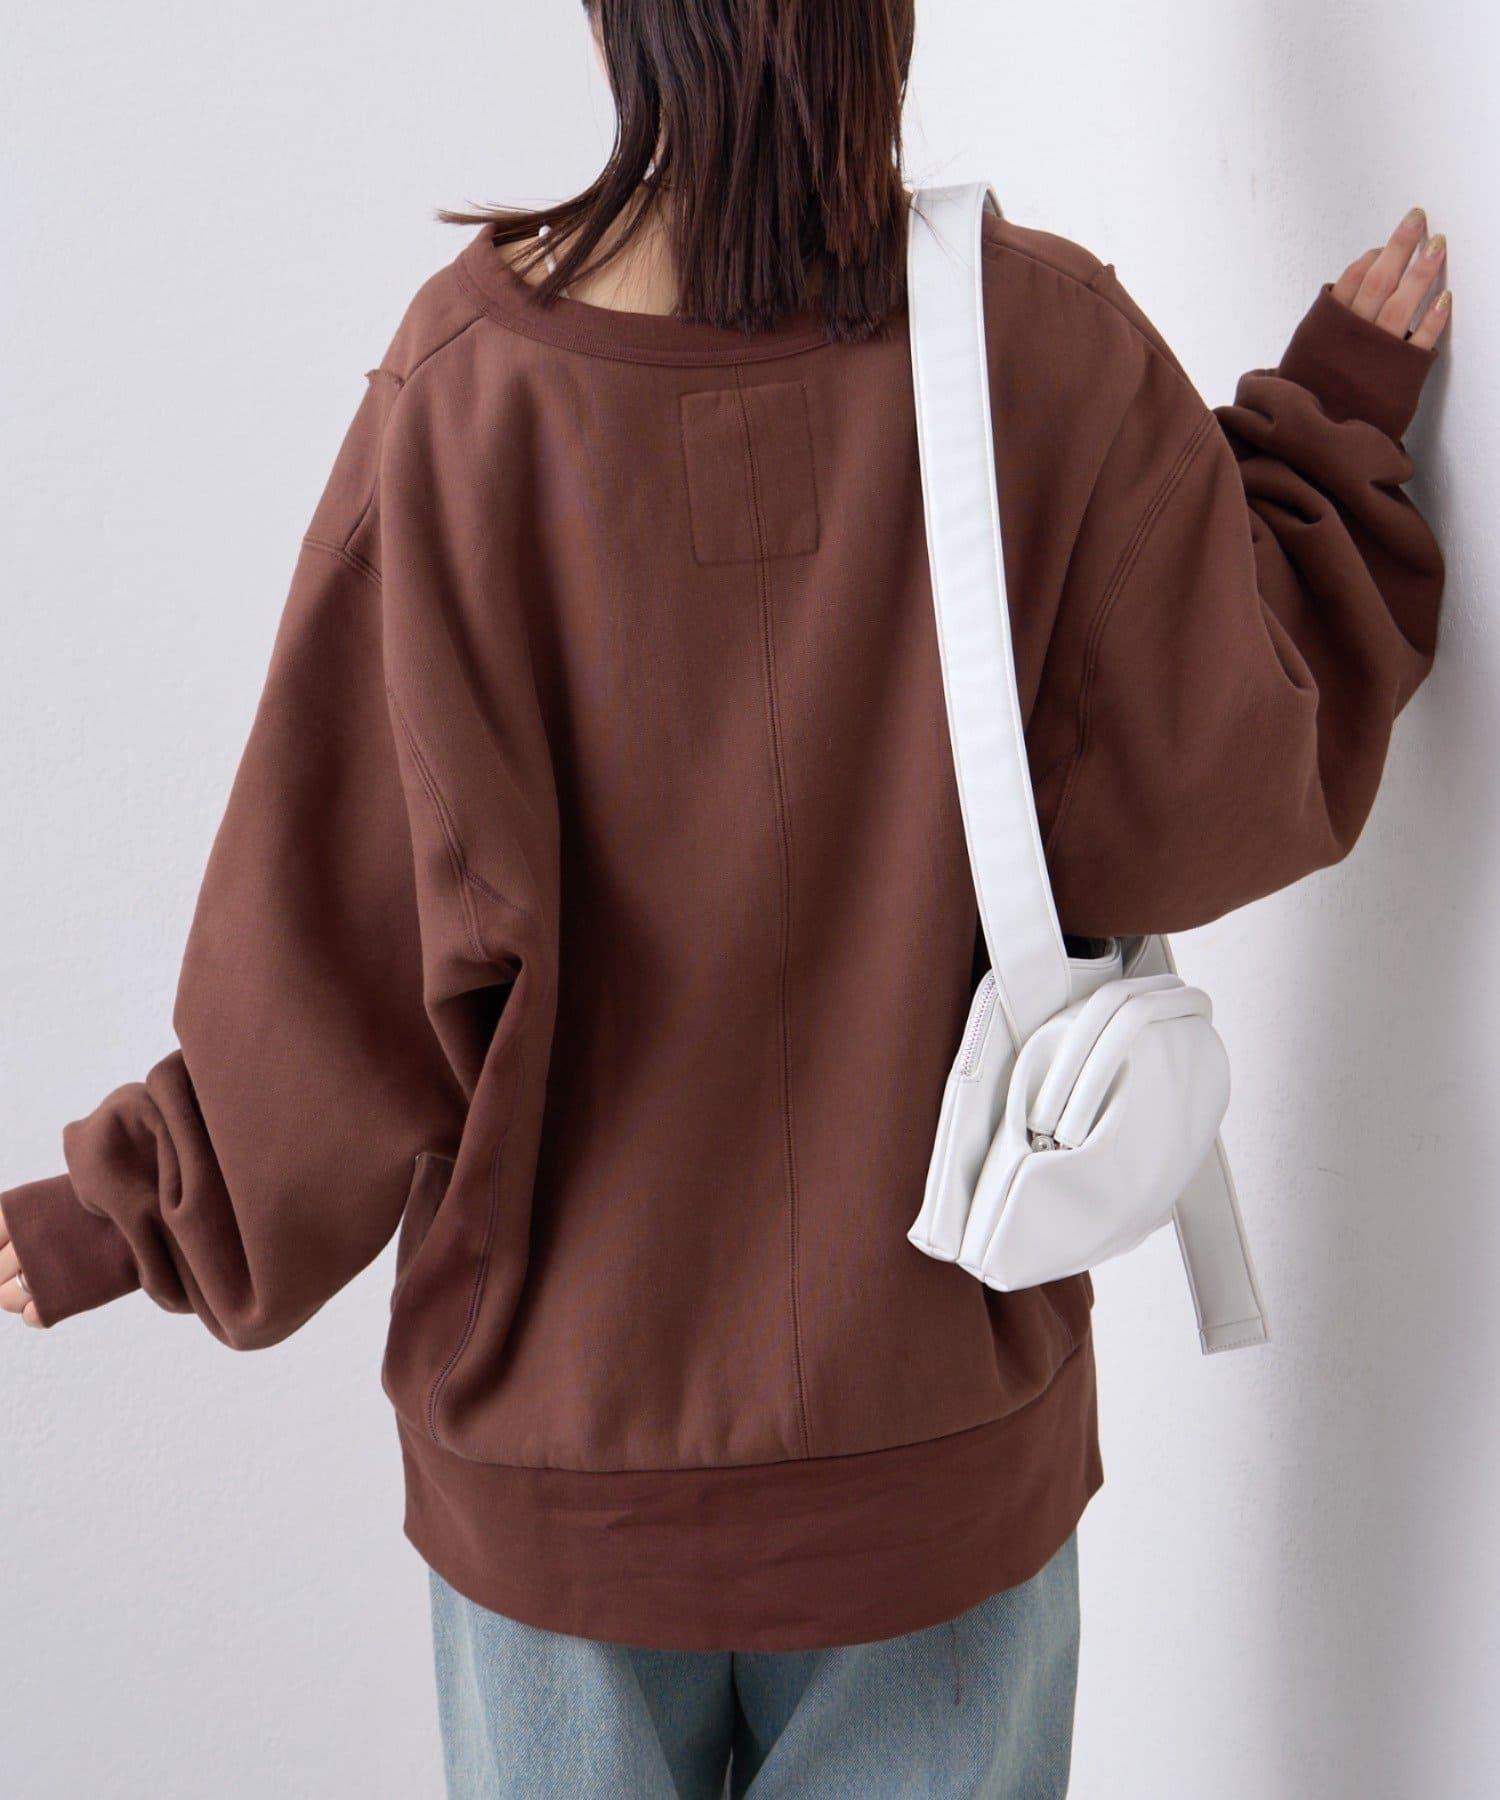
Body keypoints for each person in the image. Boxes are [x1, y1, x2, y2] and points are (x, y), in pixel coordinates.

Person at [0, 1, 1450, 1793]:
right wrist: (1334, 431)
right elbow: (1221, 767)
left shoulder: (470, 390)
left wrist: (130, 1212)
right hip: (935, 1456)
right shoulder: (1037, 345)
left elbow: (355, 944)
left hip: (564, 1473)